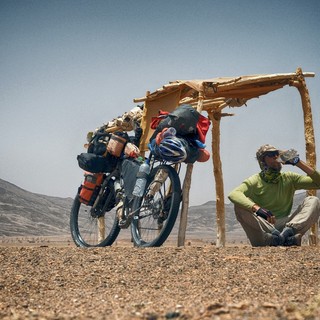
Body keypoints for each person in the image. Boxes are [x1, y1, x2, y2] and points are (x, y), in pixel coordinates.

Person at [228, 144, 320, 247]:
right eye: (271, 155)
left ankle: (288, 234)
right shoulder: (255, 180)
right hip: (265, 228)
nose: (275, 157)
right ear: (262, 160)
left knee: (313, 200)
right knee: (239, 206)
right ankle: (273, 239)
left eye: (277, 154)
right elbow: (234, 194)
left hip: (286, 225)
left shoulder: (289, 178)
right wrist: (257, 209)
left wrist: (298, 163)